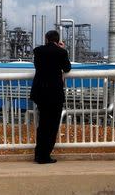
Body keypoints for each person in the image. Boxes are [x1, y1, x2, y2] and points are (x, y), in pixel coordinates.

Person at [30, 30, 71, 164]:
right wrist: (61, 49)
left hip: (40, 92)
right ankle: (45, 155)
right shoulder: (61, 52)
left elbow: (38, 66)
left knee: (42, 124)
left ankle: (38, 155)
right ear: (57, 40)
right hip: (54, 93)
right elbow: (67, 68)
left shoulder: (38, 51)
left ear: (46, 39)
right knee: (52, 125)